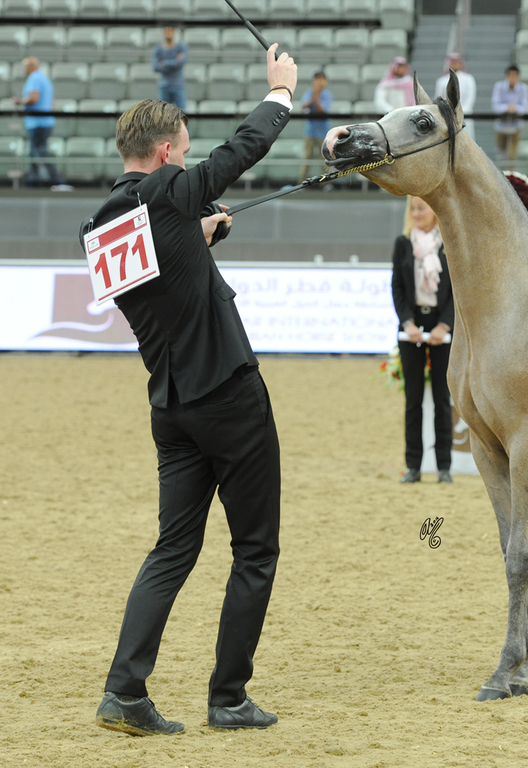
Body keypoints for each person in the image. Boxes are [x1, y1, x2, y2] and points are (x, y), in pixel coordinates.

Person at [82, 42, 297, 736]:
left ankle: (125, 690)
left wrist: (196, 237)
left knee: (172, 549)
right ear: (169, 150)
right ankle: (228, 698)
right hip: (228, 394)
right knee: (255, 549)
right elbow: (241, 151)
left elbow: (158, 287)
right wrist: (281, 92)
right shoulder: (171, 188)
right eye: (185, 151)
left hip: (170, 404)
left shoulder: (100, 224)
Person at [391, 196, 454, 484]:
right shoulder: (403, 243)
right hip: (411, 328)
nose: (416, 213)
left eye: (422, 208)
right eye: (413, 209)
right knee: (412, 400)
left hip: (441, 328)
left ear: (434, 210)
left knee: (442, 398)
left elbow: (457, 289)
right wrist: (407, 322)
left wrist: (444, 325)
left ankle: (444, 467)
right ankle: (413, 466)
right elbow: (398, 287)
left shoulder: (449, 243)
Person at [14, 57, 71, 191]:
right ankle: (33, 182)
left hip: (37, 122)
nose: (23, 70)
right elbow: (52, 102)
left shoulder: (34, 78)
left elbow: (33, 98)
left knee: (39, 152)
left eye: (24, 67)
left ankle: (56, 181)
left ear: (30, 67)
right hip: (45, 121)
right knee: (34, 153)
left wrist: (19, 102)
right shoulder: (45, 79)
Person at [491, 64, 528, 169]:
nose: (513, 78)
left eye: (515, 76)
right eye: (510, 75)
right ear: (506, 76)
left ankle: (511, 177)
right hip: (501, 125)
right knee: (501, 154)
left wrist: (515, 108)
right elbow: (495, 105)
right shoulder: (499, 86)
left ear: (518, 77)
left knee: (512, 156)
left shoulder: (523, 88)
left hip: (516, 125)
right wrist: (507, 108)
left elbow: (525, 107)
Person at [297, 70, 332, 183]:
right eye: (317, 79)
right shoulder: (309, 92)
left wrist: (317, 97)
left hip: (323, 132)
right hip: (310, 131)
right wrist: (314, 96)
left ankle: (326, 184)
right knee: (306, 158)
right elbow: (303, 106)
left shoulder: (327, 95)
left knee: (324, 159)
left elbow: (322, 110)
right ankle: (302, 182)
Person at [434, 53, 476, 141]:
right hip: (448, 114)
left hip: (465, 114)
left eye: (457, 62)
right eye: (453, 62)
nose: (455, 65)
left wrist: (461, 111)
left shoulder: (468, 79)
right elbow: (439, 99)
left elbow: (470, 97)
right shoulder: (441, 81)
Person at [152, 25, 187, 109]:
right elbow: (155, 67)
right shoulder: (158, 49)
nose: (168, 34)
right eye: (166, 31)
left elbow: (180, 63)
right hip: (164, 85)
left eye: (170, 31)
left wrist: (164, 63)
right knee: (161, 114)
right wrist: (174, 62)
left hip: (178, 85)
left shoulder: (181, 47)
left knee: (182, 113)